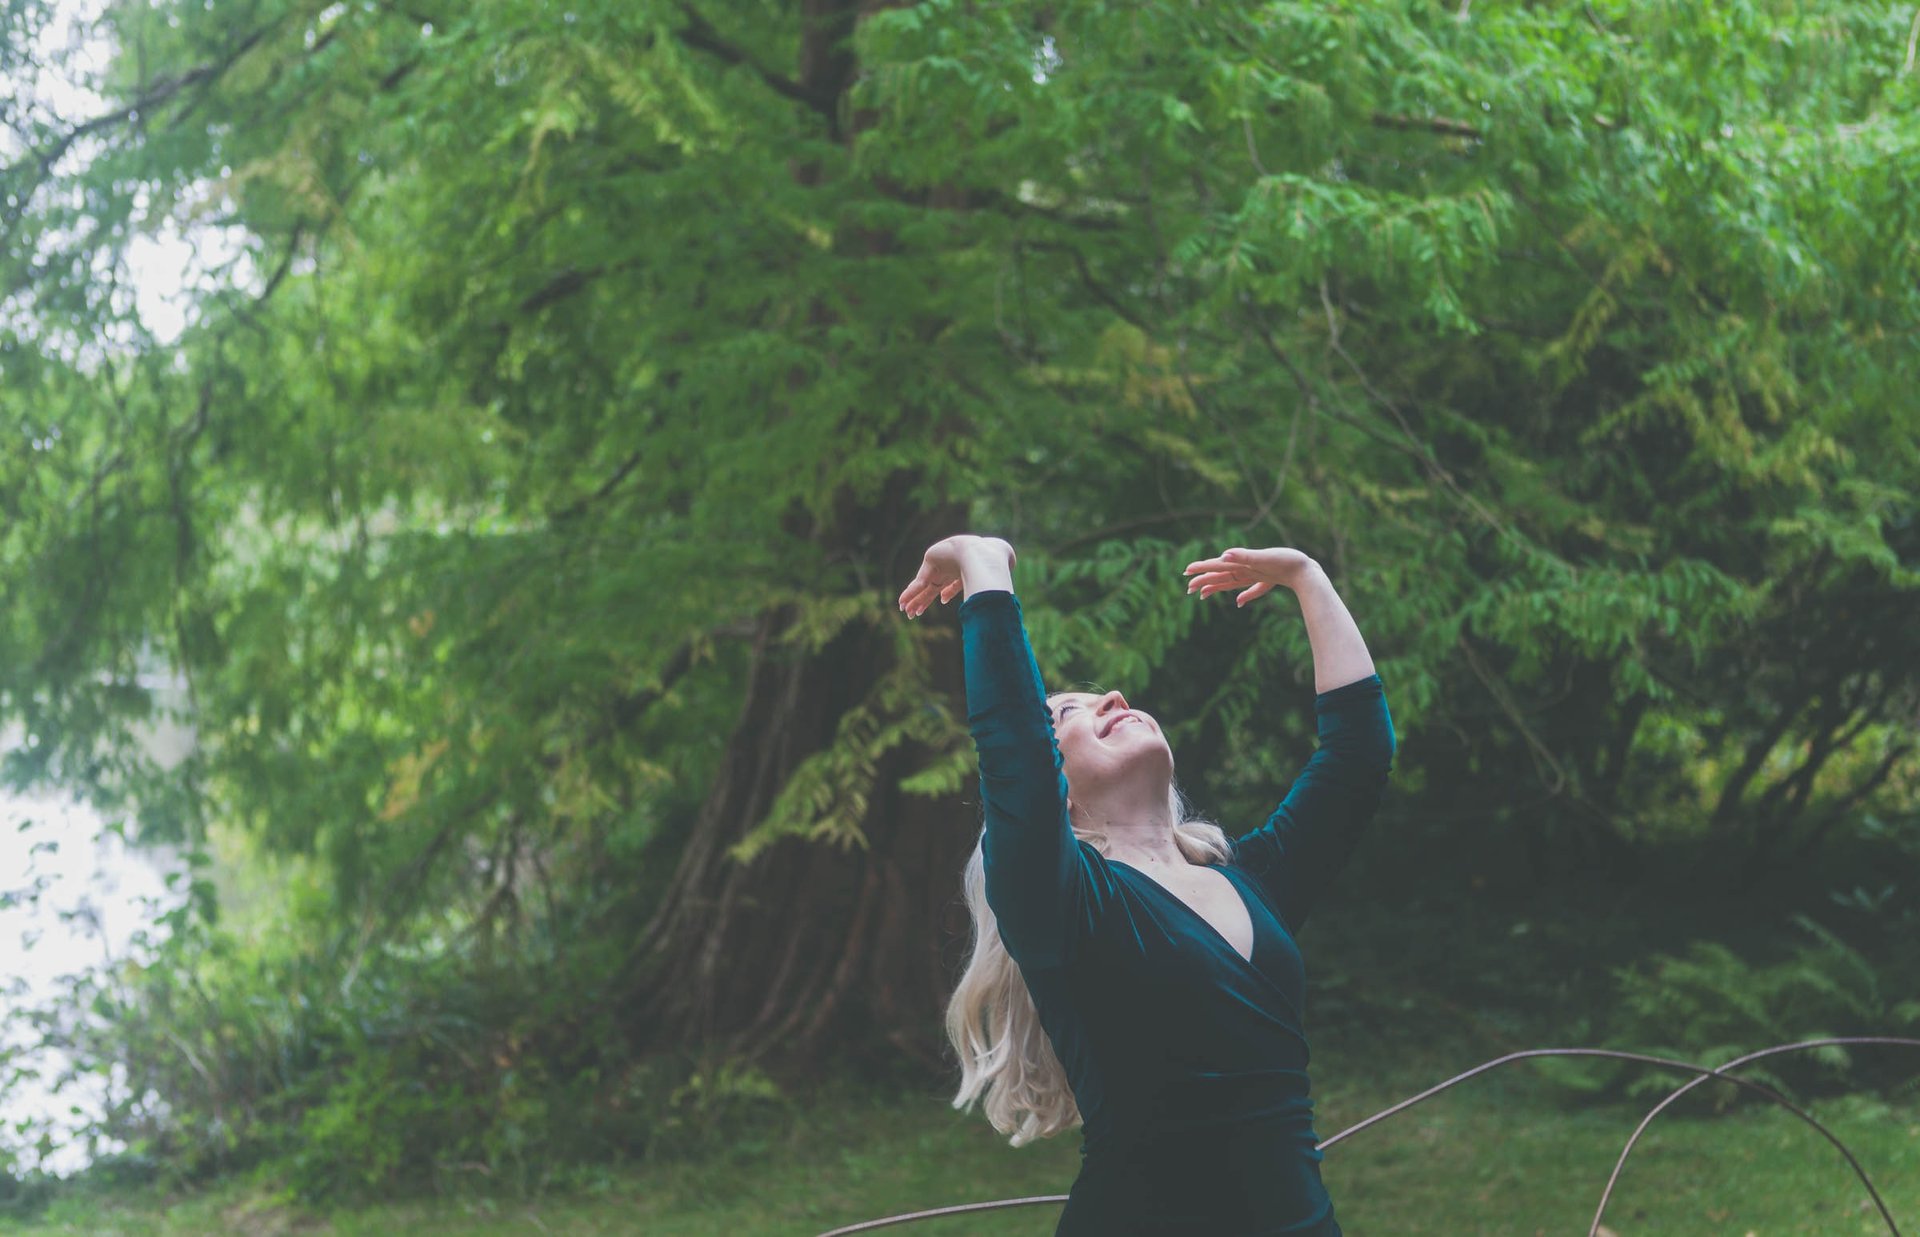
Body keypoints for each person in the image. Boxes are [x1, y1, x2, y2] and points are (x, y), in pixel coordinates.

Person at [898, 534, 1395, 1236]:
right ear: (1055, 791)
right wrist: (982, 562)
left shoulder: (1254, 880)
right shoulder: (1062, 902)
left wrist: (1307, 578)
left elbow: (1358, 756)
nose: (1113, 696)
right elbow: (1011, 744)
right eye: (1069, 713)